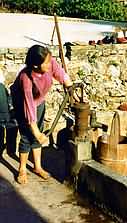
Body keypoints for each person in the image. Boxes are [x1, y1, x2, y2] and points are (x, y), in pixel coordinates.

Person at [11, 44, 79, 185]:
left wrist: (71, 88)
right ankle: (22, 169)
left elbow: (61, 74)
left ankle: (37, 167)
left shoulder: (49, 63)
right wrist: (35, 132)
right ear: (35, 65)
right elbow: (28, 106)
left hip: (39, 101)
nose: (50, 63)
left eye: (49, 60)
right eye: (46, 62)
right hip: (22, 103)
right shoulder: (26, 78)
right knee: (27, 135)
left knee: (39, 132)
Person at [0, 68, 18, 158]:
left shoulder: (4, 87)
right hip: (9, 115)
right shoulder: (3, 88)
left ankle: (9, 150)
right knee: (11, 130)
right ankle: (11, 151)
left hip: (8, 114)